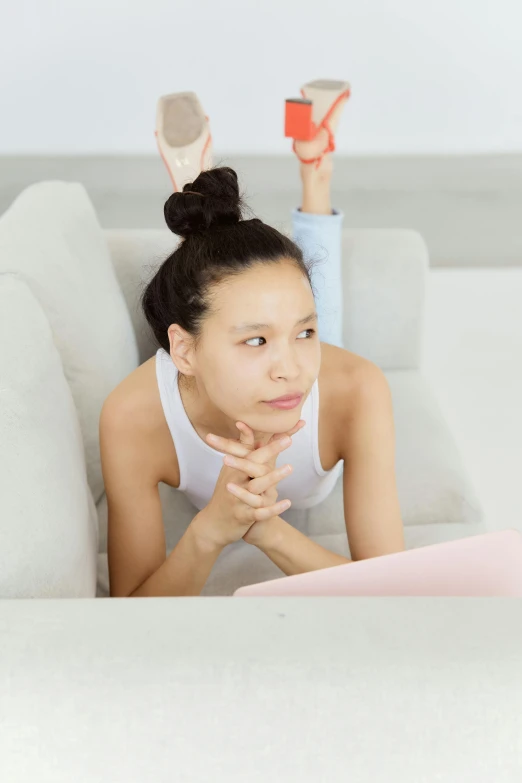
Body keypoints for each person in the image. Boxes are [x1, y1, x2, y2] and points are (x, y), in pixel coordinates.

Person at [100, 81, 405, 598]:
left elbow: (393, 594)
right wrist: (212, 528)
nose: (291, 369)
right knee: (257, 298)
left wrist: (267, 529)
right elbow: (132, 609)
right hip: (200, 349)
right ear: (184, 351)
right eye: (256, 343)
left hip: (298, 353)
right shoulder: (131, 416)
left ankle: (314, 170)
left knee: (307, 305)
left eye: (302, 335)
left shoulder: (356, 388)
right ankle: (206, 185)